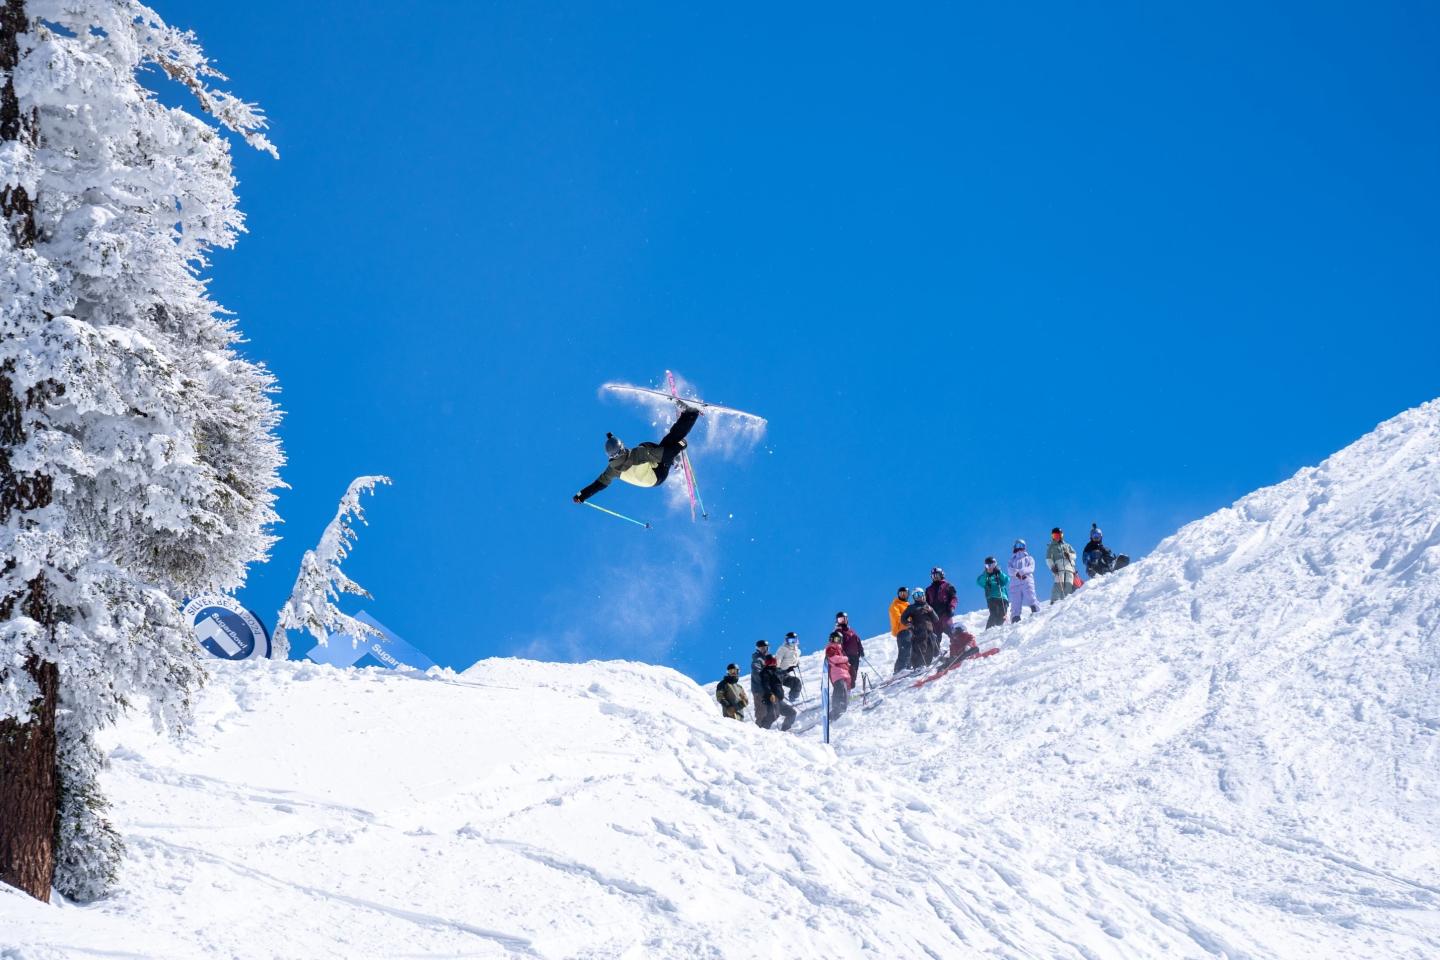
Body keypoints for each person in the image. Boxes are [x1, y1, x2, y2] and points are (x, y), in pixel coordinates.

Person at [572, 405, 701, 504]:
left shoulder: (612, 469)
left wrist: (581, 496)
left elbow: (598, 485)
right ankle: (692, 413)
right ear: (622, 447)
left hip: (649, 481)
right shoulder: (638, 455)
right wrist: (680, 445)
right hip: (658, 474)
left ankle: (674, 457)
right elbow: (666, 454)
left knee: (652, 449)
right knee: (668, 441)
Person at [901, 588, 939, 669]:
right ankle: (919, 666)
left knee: (932, 645)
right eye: (916, 595)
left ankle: (935, 659)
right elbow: (903, 618)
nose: (919, 597)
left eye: (920, 594)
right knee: (921, 648)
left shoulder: (928, 606)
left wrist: (931, 611)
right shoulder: (912, 607)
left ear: (923, 595)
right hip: (919, 631)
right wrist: (909, 624)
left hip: (930, 630)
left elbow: (936, 619)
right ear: (914, 598)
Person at [758, 655, 797, 731]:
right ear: (766, 663)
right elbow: (765, 684)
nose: (773, 663)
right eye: (770, 661)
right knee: (773, 715)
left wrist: (789, 669)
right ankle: (761, 731)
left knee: (792, 713)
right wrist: (770, 694)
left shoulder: (777, 670)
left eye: (774, 661)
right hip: (772, 699)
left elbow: (782, 672)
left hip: (779, 700)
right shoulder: (765, 672)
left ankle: (784, 730)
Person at [1007, 539, 1041, 623]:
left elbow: (1031, 568)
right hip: (1015, 583)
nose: (1019, 548)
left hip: (1026, 580)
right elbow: (1009, 570)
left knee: (1030, 596)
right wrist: (1016, 573)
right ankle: (1015, 617)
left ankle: (1035, 610)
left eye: (1021, 546)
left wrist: (1021, 572)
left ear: (1024, 547)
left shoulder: (1029, 558)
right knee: (1015, 601)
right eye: (1017, 546)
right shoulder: (1012, 560)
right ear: (1014, 547)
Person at [924, 567, 959, 645]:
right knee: (935, 636)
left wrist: (952, 607)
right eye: (933, 576)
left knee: (949, 628)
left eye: (937, 575)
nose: (935, 577)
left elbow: (953, 598)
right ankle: (936, 651)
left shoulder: (947, 585)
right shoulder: (929, 589)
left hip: (945, 613)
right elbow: (926, 603)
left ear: (942, 575)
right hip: (934, 616)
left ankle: (959, 646)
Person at [824, 630, 852, 722]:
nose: (837, 641)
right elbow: (834, 659)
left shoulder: (839, 650)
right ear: (831, 639)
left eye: (839, 639)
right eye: (836, 639)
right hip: (836, 673)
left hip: (843, 673)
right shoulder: (831, 648)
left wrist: (847, 665)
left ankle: (840, 709)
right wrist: (846, 658)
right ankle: (837, 709)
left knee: (843, 690)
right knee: (840, 689)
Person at [977, 556, 1010, 630]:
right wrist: (986, 574)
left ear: (995, 565)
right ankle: (988, 630)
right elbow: (980, 582)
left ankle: (997, 629)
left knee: (1003, 615)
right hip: (991, 597)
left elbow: (1006, 580)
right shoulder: (985, 576)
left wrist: (1000, 573)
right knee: (993, 614)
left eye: (992, 565)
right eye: (987, 565)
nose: (990, 567)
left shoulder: (998, 573)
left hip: (1002, 597)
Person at [1046, 527, 1078, 603]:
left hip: (1069, 568)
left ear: (1061, 535)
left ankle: (1067, 600)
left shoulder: (1067, 545)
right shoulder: (1051, 547)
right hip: (1059, 569)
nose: (1057, 537)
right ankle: (1055, 600)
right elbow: (1048, 559)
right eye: (1055, 536)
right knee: (1058, 584)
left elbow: (1074, 555)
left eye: (1058, 535)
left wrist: (1069, 555)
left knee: (1069, 584)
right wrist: (1052, 567)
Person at [833, 612, 864, 688]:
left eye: (843, 619)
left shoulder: (851, 631)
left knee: (853, 676)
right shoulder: (837, 632)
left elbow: (857, 640)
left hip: (855, 656)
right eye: (840, 620)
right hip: (846, 657)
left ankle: (848, 691)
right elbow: (836, 645)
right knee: (849, 675)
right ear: (837, 621)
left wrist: (861, 650)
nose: (842, 621)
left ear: (847, 620)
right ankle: (843, 692)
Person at [889, 586, 913, 675]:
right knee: (905, 648)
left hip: (910, 629)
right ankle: (900, 669)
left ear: (908, 595)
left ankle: (908, 667)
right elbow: (898, 616)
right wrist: (908, 622)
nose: (903, 595)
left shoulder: (908, 605)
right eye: (901, 593)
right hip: (902, 630)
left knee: (911, 648)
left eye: (905, 593)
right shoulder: (895, 605)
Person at [775, 632, 803, 702]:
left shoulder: (797, 650)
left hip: (785, 674)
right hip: (778, 674)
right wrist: (778, 668)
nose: (793, 642)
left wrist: (796, 664)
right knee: (778, 690)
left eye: (794, 640)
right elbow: (778, 659)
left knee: (796, 682)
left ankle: (793, 698)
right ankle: (780, 704)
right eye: (790, 640)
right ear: (786, 641)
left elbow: (794, 659)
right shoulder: (783, 649)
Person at [749, 640, 770, 727]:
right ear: (757, 649)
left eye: (765, 648)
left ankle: (765, 729)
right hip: (759, 689)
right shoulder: (757, 660)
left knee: (769, 710)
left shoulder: (767, 659)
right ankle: (758, 730)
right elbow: (757, 672)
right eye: (761, 648)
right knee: (761, 712)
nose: (764, 650)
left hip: (766, 688)